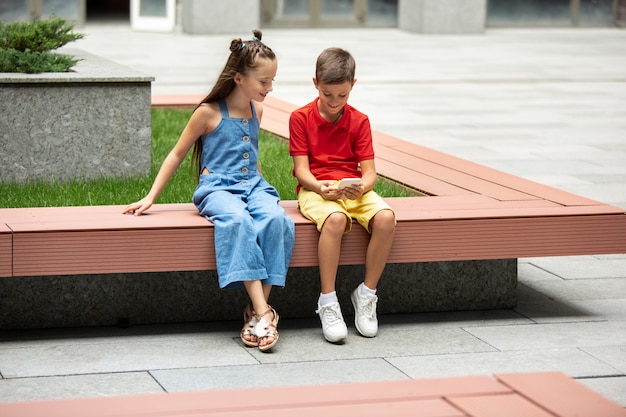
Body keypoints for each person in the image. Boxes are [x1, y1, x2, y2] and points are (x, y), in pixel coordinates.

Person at [123, 30, 294, 352]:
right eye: (264, 82)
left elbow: (252, 159)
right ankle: (264, 313)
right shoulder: (208, 112)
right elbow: (176, 153)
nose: (270, 88)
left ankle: (258, 315)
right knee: (238, 221)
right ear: (240, 78)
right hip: (217, 188)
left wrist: (260, 188)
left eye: (272, 81)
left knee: (276, 220)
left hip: (252, 186)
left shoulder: (258, 111)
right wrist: (151, 197)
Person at [289, 47, 396, 343]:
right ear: (315, 84)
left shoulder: (360, 120)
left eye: (342, 95)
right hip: (317, 189)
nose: (335, 102)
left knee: (386, 217)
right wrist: (320, 187)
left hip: (352, 188)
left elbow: (371, 172)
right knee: (335, 219)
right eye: (328, 94)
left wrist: (361, 187)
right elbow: (301, 170)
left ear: (353, 86)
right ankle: (328, 301)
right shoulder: (300, 118)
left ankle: (366, 294)